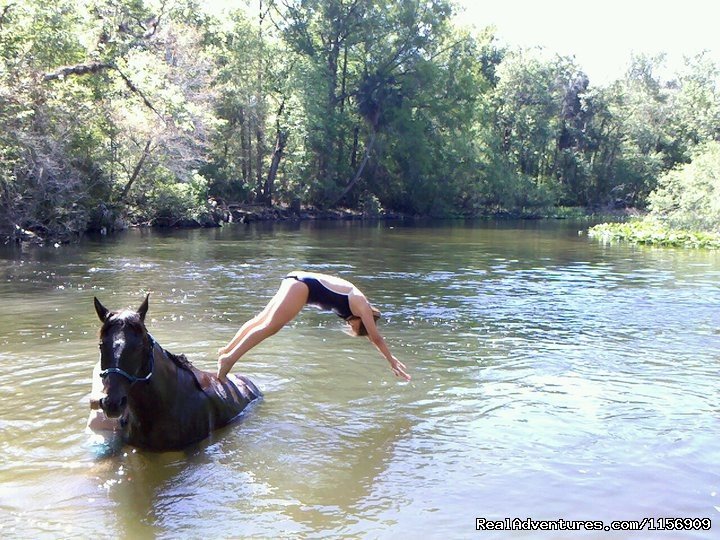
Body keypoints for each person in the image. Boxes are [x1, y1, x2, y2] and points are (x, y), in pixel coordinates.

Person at [217, 271, 411, 381]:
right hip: (303, 287)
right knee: (271, 326)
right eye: (354, 326)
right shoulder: (363, 306)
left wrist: (389, 357)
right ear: (362, 321)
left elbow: (371, 338)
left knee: (261, 320)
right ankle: (228, 359)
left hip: (295, 279)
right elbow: (376, 337)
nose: (350, 325)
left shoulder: (358, 309)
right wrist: (392, 361)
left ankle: (227, 349)